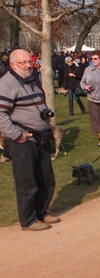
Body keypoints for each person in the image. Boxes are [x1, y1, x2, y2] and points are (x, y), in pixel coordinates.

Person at [0, 49, 60, 231]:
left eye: (30, 61)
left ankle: (42, 212)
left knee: (46, 179)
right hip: (23, 140)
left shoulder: (32, 79)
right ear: (12, 65)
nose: (28, 65)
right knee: (27, 182)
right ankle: (28, 220)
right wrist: (16, 136)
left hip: (41, 137)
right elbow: (0, 113)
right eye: (23, 63)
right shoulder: (6, 84)